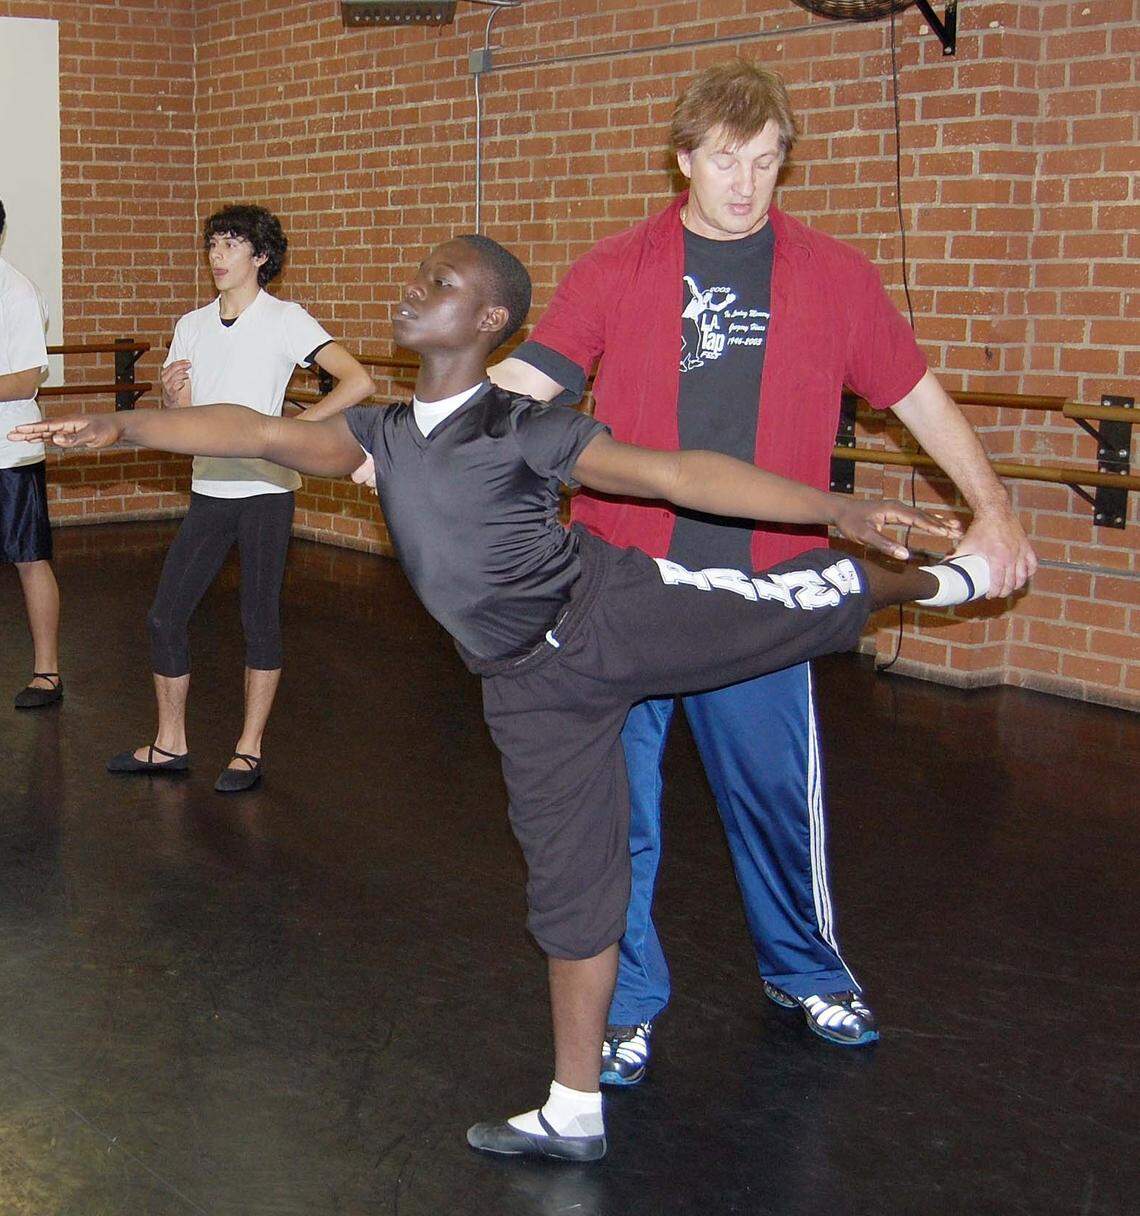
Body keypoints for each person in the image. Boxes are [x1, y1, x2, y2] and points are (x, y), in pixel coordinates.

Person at [14, 234, 1000, 1162]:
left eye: (440, 283)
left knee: (788, 601)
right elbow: (256, 430)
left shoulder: (523, 427)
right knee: (572, 887)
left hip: (611, 617)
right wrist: (126, 424)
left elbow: (673, 473)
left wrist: (840, 506)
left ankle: (944, 579)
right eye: (419, 276)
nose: (414, 290)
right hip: (527, 689)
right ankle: (575, 1110)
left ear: (491, 321)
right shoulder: (381, 437)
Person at [490, 60, 1038, 1074]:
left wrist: (993, 507)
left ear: (786, 161)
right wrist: (423, 437)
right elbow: (525, 384)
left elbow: (915, 395)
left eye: (767, 159)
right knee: (621, 816)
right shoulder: (616, 268)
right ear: (684, 159)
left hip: (764, 596)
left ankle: (809, 970)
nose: (744, 183)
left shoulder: (835, 275)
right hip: (627, 591)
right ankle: (627, 1003)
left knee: (779, 804)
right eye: (725, 160)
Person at [108, 204, 375, 791]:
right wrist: (175, 401)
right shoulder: (192, 325)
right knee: (164, 616)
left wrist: (296, 431)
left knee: (259, 618)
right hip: (210, 489)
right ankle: (169, 743)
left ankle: (248, 748)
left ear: (260, 258)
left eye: (232, 245)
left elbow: (359, 381)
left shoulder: (286, 319)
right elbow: (187, 422)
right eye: (213, 244)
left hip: (265, 490)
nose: (218, 256)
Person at [0, 198, 63, 710]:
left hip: (10, 453)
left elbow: (25, 378)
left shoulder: (16, 292)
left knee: (28, 557)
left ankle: (47, 672)